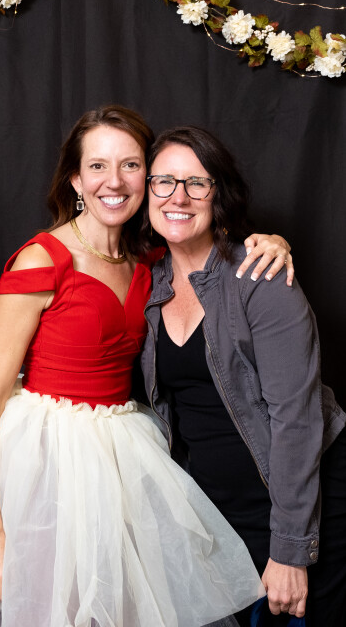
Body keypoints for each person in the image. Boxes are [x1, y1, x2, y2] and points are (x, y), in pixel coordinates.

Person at [0, 106, 292, 627]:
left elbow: (213, 248)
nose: (113, 181)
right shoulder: (42, 259)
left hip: (123, 455)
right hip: (45, 460)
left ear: (149, 177)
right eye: (97, 166)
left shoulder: (151, 260)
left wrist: (273, 241)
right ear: (75, 180)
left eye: (130, 165)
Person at [140, 125, 346, 627]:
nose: (178, 197)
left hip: (297, 507)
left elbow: (297, 419)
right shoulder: (149, 282)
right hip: (217, 517)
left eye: (197, 183)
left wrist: (291, 549)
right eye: (164, 181)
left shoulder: (260, 277)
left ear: (219, 194)